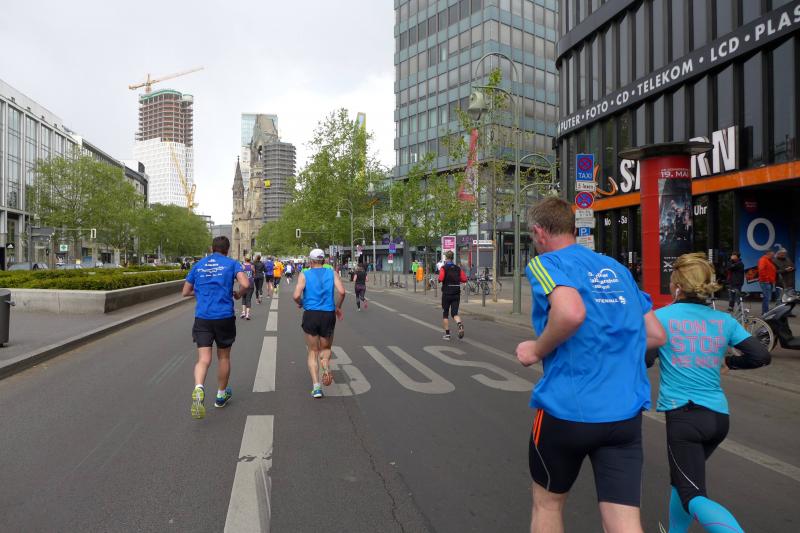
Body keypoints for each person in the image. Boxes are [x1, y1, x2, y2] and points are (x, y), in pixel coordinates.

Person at [515, 197, 666, 533]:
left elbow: (570, 313)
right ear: (572, 227)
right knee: (624, 522)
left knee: (547, 503)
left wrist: (536, 349)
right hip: (624, 415)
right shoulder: (616, 268)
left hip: (567, 410)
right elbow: (656, 334)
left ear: (539, 232)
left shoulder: (546, 263)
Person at [646, 253, 770, 533]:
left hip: (684, 417)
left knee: (691, 494)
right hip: (718, 418)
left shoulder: (660, 318)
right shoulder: (723, 321)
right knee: (683, 481)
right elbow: (761, 355)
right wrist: (730, 362)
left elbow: (645, 359)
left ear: (678, 287)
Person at [182, 236, 250, 419]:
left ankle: (199, 387)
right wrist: (238, 294)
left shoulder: (198, 265)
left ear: (212, 248)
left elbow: (185, 291)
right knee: (223, 357)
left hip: (203, 317)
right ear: (227, 249)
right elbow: (245, 284)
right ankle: (220, 396)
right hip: (223, 316)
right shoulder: (232, 264)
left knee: (203, 359)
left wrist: (201, 291)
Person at [292, 248, 346, 399]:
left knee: (312, 351)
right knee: (326, 348)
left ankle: (316, 387)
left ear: (310, 260)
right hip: (328, 314)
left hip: (311, 314)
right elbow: (342, 292)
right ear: (323, 260)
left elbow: (295, 295)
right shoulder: (332, 273)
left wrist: (302, 302)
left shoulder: (305, 274)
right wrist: (338, 307)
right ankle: (325, 365)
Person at [438, 250, 467, 340]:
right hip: (456, 293)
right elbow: (464, 279)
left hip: (447, 293)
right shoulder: (458, 268)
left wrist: (440, 280)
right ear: (453, 258)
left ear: (446, 258)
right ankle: (459, 324)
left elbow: (441, 278)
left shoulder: (444, 268)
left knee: (445, 313)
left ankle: (447, 334)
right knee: (454, 313)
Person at [757, 250, 776, 314]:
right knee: (767, 297)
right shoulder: (763, 260)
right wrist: (767, 279)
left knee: (767, 297)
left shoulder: (768, 260)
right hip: (765, 282)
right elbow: (761, 270)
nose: (773, 255)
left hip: (768, 281)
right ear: (768, 253)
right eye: (772, 254)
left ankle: (765, 312)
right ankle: (765, 312)